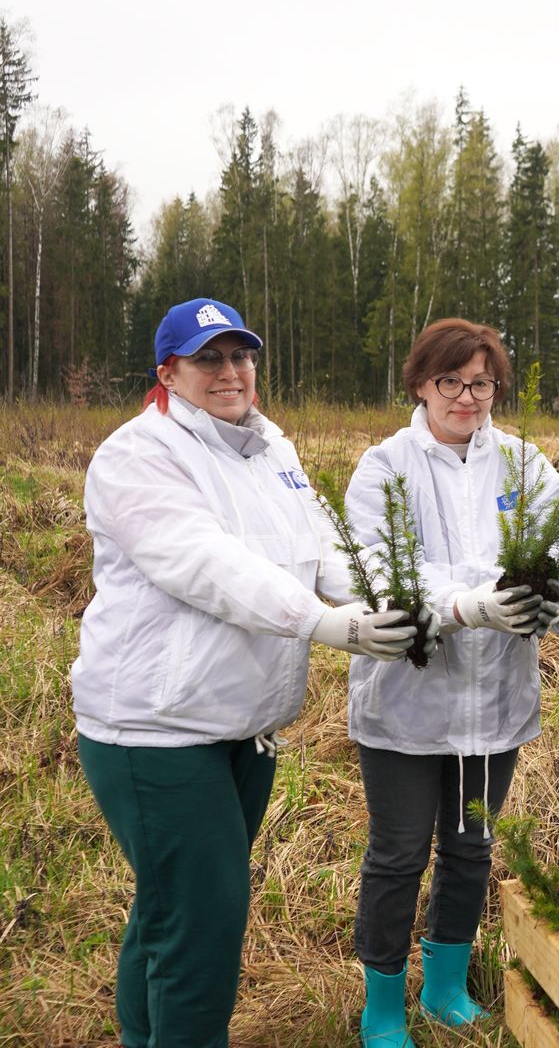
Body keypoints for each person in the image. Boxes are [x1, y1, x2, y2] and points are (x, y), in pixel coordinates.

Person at [72, 297, 422, 1048]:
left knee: (170, 907)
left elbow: (327, 551)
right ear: (169, 372)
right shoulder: (140, 454)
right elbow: (204, 563)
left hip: (243, 728)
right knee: (204, 919)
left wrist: (406, 602)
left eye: (240, 356)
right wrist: (326, 624)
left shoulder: (273, 452)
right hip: (154, 730)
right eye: (209, 359)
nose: (230, 373)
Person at [344, 319, 559, 1047]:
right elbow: (380, 569)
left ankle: (447, 984)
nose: (466, 396)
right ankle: (383, 1000)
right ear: (420, 382)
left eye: (481, 382)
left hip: (495, 697)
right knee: (397, 850)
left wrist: (557, 601)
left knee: (470, 844)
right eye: (450, 380)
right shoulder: (384, 467)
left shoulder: (522, 464)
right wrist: (466, 604)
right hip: (405, 699)